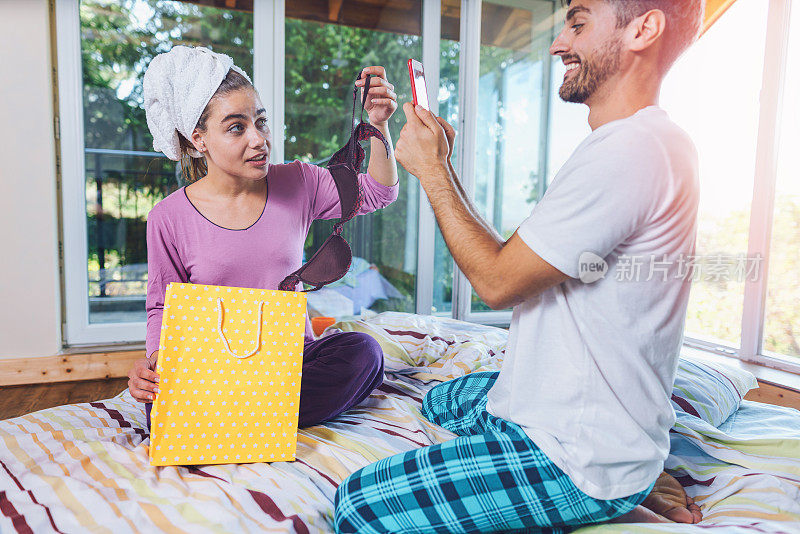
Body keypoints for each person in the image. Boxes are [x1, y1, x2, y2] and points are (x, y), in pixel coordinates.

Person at [334, 0, 706, 532]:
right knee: (444, 398)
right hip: (576, 412)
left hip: (576, 454)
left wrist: (435, 174)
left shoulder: (631, 151)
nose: (558, 43)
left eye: (577, 24)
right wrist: (444, 168)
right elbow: (513, 260)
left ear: (643, 30)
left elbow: (496, 281)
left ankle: (604, 494)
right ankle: (628, 483)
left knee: (358, 507)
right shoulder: (640, 143)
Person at [127, 45, 400, 430]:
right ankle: (258, 419)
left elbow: (377, 192)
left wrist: (379, 124)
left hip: (290, 362)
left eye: (261, 122)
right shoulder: (167, 218)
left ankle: (226, 424)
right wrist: (155, 366)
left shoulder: (299, 182)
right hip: (215, 370)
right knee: (163, 400)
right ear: (198, 139)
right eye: (236, 127)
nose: (258, 139)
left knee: (364, 354)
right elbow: (162, 308)